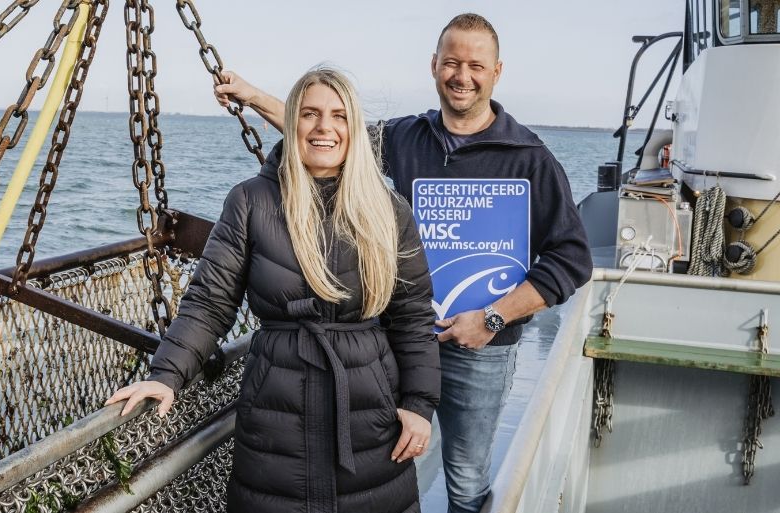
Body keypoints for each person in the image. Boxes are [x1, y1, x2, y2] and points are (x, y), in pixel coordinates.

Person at [211, 14, 593, 512]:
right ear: (434, 66)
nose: (462, 75)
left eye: (476, 65)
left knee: (467, 479)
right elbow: (328, 134)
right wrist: (251, 94)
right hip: (397, 341)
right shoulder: (404, 137)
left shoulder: (529, 158)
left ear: (497, 71)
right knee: (388, 462)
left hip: (480, 346)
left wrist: (494, 317)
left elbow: (571, 257)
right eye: (451, 62)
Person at [106, 67, 441, 513]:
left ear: (354, 127)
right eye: (310, 114)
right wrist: (165, 375)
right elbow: (210, 303)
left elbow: (413, 314)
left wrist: (419, 403)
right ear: (292, 121)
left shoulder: (389, 209)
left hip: (369, 410)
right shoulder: (251, 200)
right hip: (276, 411)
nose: (325, 128)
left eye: (339, 116)